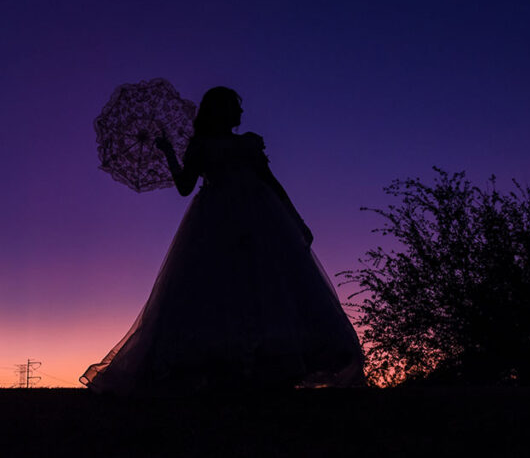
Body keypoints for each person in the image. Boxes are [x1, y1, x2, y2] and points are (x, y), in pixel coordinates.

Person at [81, 87, 365, 394]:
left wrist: (296, 219)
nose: (241, 113)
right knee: (217, 293)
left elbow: (270, 181)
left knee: (266, 289)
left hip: (260, 221)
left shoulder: (249, 143)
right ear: (221, 110)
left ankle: (263, 367)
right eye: (234, 107)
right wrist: (168, 152)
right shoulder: (200, 145)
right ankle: (225, 369)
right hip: (215, 223)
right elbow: (184, 187)